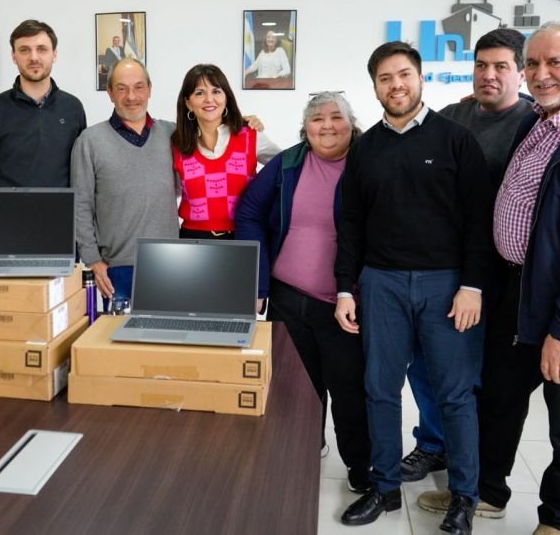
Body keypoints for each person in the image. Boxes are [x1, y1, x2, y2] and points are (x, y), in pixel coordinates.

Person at [419, 22, 560, 535]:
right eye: (535, 64)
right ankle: (489, 492)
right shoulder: (540, 120)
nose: (541, 75)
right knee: (498, 401)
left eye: (556, 64)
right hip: (516, 292)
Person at [335, 41, 491, 534]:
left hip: (446, 285)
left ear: (421, 79)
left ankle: (464, 497)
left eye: (403, 74)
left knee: (455, 395)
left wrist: (473, 285)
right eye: (385, 78)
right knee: (380, 389)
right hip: (380, 284)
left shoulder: (455, 140)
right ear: (375, 86)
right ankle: (384, 489)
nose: (396, 85)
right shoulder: (365, 149)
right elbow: (352, 223)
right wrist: (345, 288)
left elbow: (477, 220)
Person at [402, 28, 532, 483]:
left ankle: (470, 459)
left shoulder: (533, 122)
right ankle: (433, 444)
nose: (489, 75)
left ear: (521, 72)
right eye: (481, 66)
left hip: (498, 272)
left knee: (474, 373)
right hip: (439, 265)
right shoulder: (453, 116)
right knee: (422, 362)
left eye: (501, 67)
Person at [235, 90, 371, 492]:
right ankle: (303, 450)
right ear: (305, 128)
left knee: (349, 389)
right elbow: (249, 211)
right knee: (297, 389)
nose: (326, 125)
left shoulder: (369, 162)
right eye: (316, 119)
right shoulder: (288, 162)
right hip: (288, 298)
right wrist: (258, 280)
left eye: (335, 117)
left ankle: (361, 469)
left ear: (352, 124)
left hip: (347, 305)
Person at [71, 58, 178, 303]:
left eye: (139, 87)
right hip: (116, 268)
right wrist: (93, 260)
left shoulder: (174, 134)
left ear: (149, 89)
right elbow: (80, 205)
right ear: (110, 93)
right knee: (117, 340)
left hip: (170, 263)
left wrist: (244, 122)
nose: (131, 96)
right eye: (121, 88)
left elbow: (215, 135)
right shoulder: (90, 141)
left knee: (171, 337)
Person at [0, 19, 87, 187]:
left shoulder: (73, 108)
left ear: (54, 54)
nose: (34, 57)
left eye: (42, 49)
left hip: (61, 212)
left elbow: (81, 173)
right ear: (14, 56)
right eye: (24, 50)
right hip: (5, 212)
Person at [172, 63, 279, 239]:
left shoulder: (250, 136)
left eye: (216, 91)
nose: (209, 99)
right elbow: (169, 192)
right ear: (188, 103)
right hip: (193, 241)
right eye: (200, 93)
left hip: (243, 236)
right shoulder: (177, 144)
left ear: (226, 97)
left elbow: (286, 167)